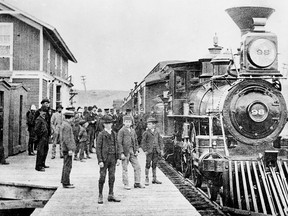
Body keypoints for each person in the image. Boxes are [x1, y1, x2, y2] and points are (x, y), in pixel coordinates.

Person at [96, 115, 121, 204]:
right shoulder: (101, 134)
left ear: (112, 124)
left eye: (110, 123)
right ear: (103, 124)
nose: (108, 125)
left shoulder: (114, 134)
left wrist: (118, 158)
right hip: (104, 159)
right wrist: (100, 161)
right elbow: (98, 148)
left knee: (112, 177)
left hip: (113, 158)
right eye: (106, 123)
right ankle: (100, 195)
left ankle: (111, 194)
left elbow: (117, 146)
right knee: (102, 177)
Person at [118, 115, 144, 190]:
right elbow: (119, 143)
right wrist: (121, 153)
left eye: (129, 122)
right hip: (125, 152)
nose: (128, 123)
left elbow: (135, 141)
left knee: (137, 167)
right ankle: (126, 184)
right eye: (126, 122)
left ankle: (137, 182)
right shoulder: (121, 131)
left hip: (132, 151)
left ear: (131, 123)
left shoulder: (133, 131)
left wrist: (136, 150)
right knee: (125, 168)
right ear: (123, 122)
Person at [141, 117, 164, 185]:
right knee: (148, 164)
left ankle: (154, 178)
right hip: (149, 151)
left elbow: (160, 141)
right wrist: (145, 150)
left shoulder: (157, 132)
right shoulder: (146, 133)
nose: (148, 125)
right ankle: (146, 178)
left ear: (154, 125)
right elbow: (143, 142)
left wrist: (161, 149)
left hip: (156, 150)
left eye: (150, 124)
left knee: (154, 164)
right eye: (148, 124)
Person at [60, 110, 76, 188]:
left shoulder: (65, 124)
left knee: (66, 165)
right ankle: (66, 183)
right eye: (72, 117)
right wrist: (70, 149)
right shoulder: (67, 126)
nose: (73, 119)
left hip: (65, 148)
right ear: (70, 117)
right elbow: (67, 139)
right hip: (67, 149)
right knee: (68, 166)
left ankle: (65, 181)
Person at [34, 98, 52, 168]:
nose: (47, 105)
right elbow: (35, 123)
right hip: (41, 134)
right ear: (42, 103)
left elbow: (48, 123)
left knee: (45, 149)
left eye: (48, 103)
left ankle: (43, 163)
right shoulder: (38, 112)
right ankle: (39, 165)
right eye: (46, 103)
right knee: (41, 150)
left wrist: (49, 132)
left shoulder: (47, 112)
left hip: (46, 133)